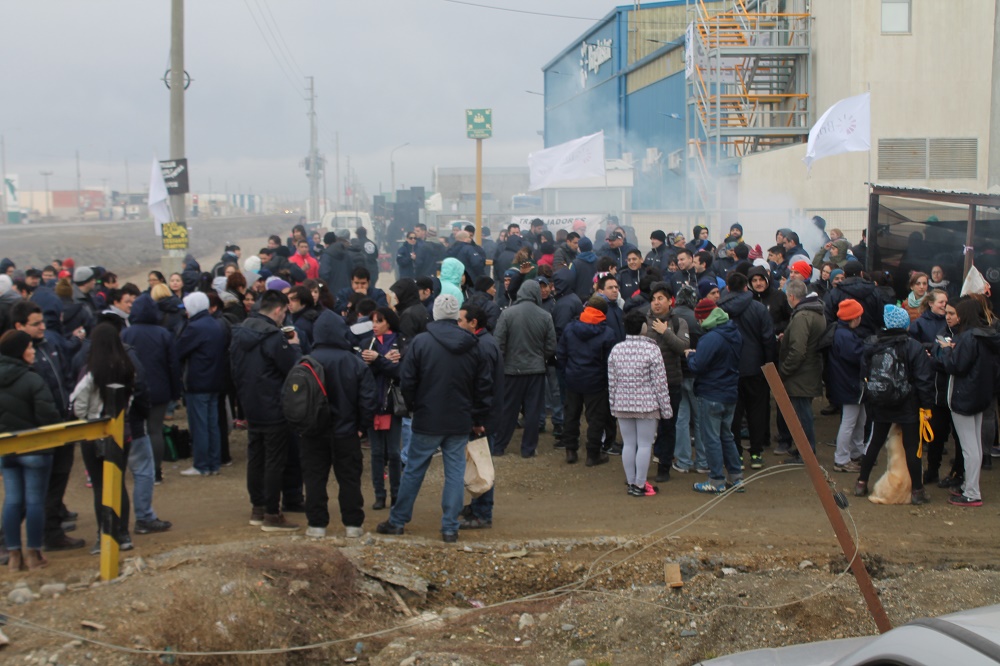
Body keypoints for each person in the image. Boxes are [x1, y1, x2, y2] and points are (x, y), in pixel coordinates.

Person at [376, 294, 491, 542]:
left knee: (414, 470)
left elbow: (408, 380)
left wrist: (414, 406)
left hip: (427, 417)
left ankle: (397, 521)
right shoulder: (472, 344)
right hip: (459, 419)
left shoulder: (421, 343)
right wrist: (477, 416)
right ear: (454, 316)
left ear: (434, 314)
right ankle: (449, 527)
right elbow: (482, 385)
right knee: (454, 473)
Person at [230, 290, 304, 531]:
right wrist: (294, 346)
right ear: (277, 310)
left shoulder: (239, 333)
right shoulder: (274, 337)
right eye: (284, 312)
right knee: (274, 460)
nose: (284, 318)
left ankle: (258, 508)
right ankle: (272, 513)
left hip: (250, 405)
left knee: (256, 457)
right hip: (273, 406)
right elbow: (290, 368)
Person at [300, 310, 376, 538]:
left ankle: (316, 526)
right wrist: (362, 426)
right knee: (349, 480)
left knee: (314, 479)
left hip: (313, 433)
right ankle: (353, 526)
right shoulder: (354, 363)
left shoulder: (306, 362)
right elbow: (369, 399)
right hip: (347, 431)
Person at [855, 304, 936, 505]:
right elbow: (923, 380)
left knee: (874, 443)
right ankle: (917, 490)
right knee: (912, 447)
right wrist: (926, 407)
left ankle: (861, 482)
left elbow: (864, 375)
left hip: (880, 403)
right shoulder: (914, 346)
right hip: (907, 404)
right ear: (906, 324)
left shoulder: (872, 344)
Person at [70, 323, 137, 553]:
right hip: (121, 431)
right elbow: (130, 399)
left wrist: (87, 419)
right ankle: (123, 534)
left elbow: (78, 401)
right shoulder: (127, 367)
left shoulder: (90, 370)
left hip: (94, 432)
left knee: (100, 485)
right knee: (118, 482)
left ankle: (104, 535)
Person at [0, 330, 62, 571]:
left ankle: (14, 555)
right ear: (20, 351)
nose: (34, 351)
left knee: (13, 501)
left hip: (7, 448)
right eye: (29, 347)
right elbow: (48, 415)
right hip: (35, 448)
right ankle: (34, 553)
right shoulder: (32, 379)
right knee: (35, 501)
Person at [934, 298, 1000, 507]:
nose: (949, 316)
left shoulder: (967, 338)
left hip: (964, 397)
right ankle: (971, 487)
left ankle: (972, 492)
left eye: (953, 313)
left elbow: (956, 366)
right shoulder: (986, 335)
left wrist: (946, 349)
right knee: (975, 446)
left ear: (963, 315)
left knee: (969, 447)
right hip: (981, 396)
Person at [609, 309, 673, 497]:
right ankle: (639, 484)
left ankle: (631, 482)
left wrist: (613, 404)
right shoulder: (652, 350)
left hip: (622, 403)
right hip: (646, 405)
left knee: (628, 444)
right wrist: (666, 409)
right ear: (644, 327)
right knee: (645, 445)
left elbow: (612, 382)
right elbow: (660, 383)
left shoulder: (616, 350)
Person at [492, 280, 557, 458]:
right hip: (536, 370)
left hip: (511, 371)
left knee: (508, 410)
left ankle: (499, 446)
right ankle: (528, 449)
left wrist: (504, 362)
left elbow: (498, 343)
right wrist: (540, 357)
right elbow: (551, 346)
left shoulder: (507, 314)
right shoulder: (545, 316)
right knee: (533, 411)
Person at [717, 272, 775, 470]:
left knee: (734, 413)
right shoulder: (758, 308)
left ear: (727, 288)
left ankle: (736, 454)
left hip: (729, 368)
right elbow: (768, 338)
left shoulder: (720, 310)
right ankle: (757, 453)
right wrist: (769, 363)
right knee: (757, 411)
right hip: (755, 367)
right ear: (746, 287)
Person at [122, 294, 182, 486]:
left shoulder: (126, 334)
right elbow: (173, 365)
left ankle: (139, 469)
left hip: (133, 391)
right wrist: (175, 391)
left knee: (136, 430)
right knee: (155, 430)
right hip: (159, 389)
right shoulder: (163, 334)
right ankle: (156, 472)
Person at [686, 298, 744, 493]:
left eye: (699, 320)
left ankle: (716, 480)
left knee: (711, 438)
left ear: (704, 318)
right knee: (727, 436)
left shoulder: (710, 338)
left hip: (711, 393)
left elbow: (697, 366)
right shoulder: (733, 332)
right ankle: (736, 478)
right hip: (730, 392)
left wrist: (690, 355)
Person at [457, 304, 503, 530]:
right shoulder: (485, 342)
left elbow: (483, 387)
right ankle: (477, 506)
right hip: (487, 416)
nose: (458, 325)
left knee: (482, 464)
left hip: (484, 419)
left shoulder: (482, 347)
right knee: (478, 462)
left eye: (460, 321)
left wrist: (478, 421)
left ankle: (483, 513)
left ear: (473, 322)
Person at [558, 296, 617, 466]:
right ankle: (592, 454)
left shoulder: (570, 328)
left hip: (573, 379)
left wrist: (567, 372)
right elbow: (609, 361)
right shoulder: (607, 333)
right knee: (595, 419)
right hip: (595, 382)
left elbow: (561, 354)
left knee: (571, 415)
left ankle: (570, 450)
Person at [176, 292, 227, 477]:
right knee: (212, 424)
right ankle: (214, 463)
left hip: (198, 382)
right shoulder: (215, 324)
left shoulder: (195, 327)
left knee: (200, 426)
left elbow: (179, 350)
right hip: (215, 381)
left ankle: (202, 464)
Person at [776, 279, 826, 463]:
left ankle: (806, 452)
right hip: (809, 370)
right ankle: (804, 450)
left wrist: (784, 371)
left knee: (803, 416)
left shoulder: (802, 316)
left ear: (791, 296)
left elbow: (798, 350)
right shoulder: (814, 311)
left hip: (801, 374)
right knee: (803, 414)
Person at [359, 307, 403, 511]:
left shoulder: (401, 343)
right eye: (373, 321)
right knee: (376, 453)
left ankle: (396, 494)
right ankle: (379, 495)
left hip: (392, 406)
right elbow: (363, 371)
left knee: (394, 453)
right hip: (372, 405)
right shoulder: (366, 343)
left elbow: (401, 372)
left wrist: (378, 360)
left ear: (389, 323)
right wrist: (384, 361)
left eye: (379, 321)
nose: (375, 325)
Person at [644, 282, 689, 482]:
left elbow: (683, 347)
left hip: (672, 382)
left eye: (660, 298)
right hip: (647, 384)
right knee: (646, 427)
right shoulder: (644, 321)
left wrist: (665, 332)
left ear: (670, 301)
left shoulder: (679, 322)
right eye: (653, 299)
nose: (656, 303)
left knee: (668, 425)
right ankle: (641, 468)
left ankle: (664, 466)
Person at [908, 289, 950, 483]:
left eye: (946, 302)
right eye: (941, 302)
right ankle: (928, 450)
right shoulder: (920, 323)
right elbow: (913, 345)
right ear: (931, 303)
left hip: (944, 376)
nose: (944, 306)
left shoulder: (948, 323)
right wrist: (932, 347)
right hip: (927, 375)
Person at [828, 299, 867, 473]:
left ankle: (857, 452)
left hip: (847, 383)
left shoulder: (842, 333)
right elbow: (856, 356)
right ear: (854, 317)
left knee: (859, 419)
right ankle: (842, 459)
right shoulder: (845, 336)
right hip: (850, 383)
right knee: (849, 422)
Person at [570, 237, 599, 301]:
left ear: (579, 249)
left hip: (579, 299)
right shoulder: (599, 261)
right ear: (591, 247)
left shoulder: (574, 263)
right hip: (597, 297)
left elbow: (570, 281)